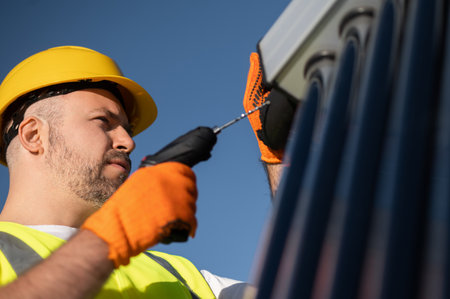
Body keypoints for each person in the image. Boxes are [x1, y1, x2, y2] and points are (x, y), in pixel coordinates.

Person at [0, 46, 295, 298]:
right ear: (34, 135)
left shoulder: (182, 277)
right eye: (103, 121)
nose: (128, 142)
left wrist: (280, 155)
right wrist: (109, 238)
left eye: (127, 130)